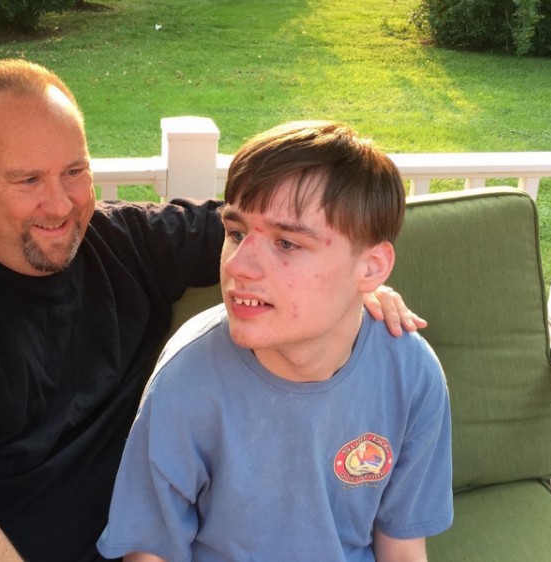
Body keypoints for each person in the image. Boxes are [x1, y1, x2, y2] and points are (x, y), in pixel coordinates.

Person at [0, 60, 422, 562]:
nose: (60, 204)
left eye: (75, 171)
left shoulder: (125, 243)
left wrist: (349, 287)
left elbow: (273, 229)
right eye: (27, 181)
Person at [97, 121, 452, 561]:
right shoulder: (187, 378)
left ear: (371, 268)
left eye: (286, 243)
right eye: (236, 233)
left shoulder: (410, 373)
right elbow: (150, 550)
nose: (239, 265)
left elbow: (401, 543)